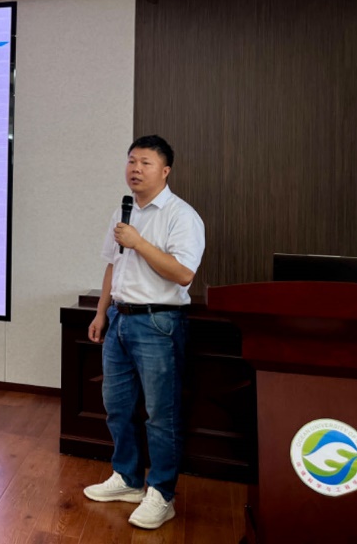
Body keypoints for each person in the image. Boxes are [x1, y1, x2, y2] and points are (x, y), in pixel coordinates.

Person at [82, 135, 205, 530]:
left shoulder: (182, 216)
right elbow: (112, 265)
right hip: (119, 318)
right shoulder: (123, 210)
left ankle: (162, 494)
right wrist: (101, 312)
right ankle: (128, 478)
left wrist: (139, 242)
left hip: (158, 323)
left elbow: (183, 273)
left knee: (160, 415)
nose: (135, 169)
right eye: (131, 160)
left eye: (145, 162)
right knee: (117, 406)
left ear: (165, 171)